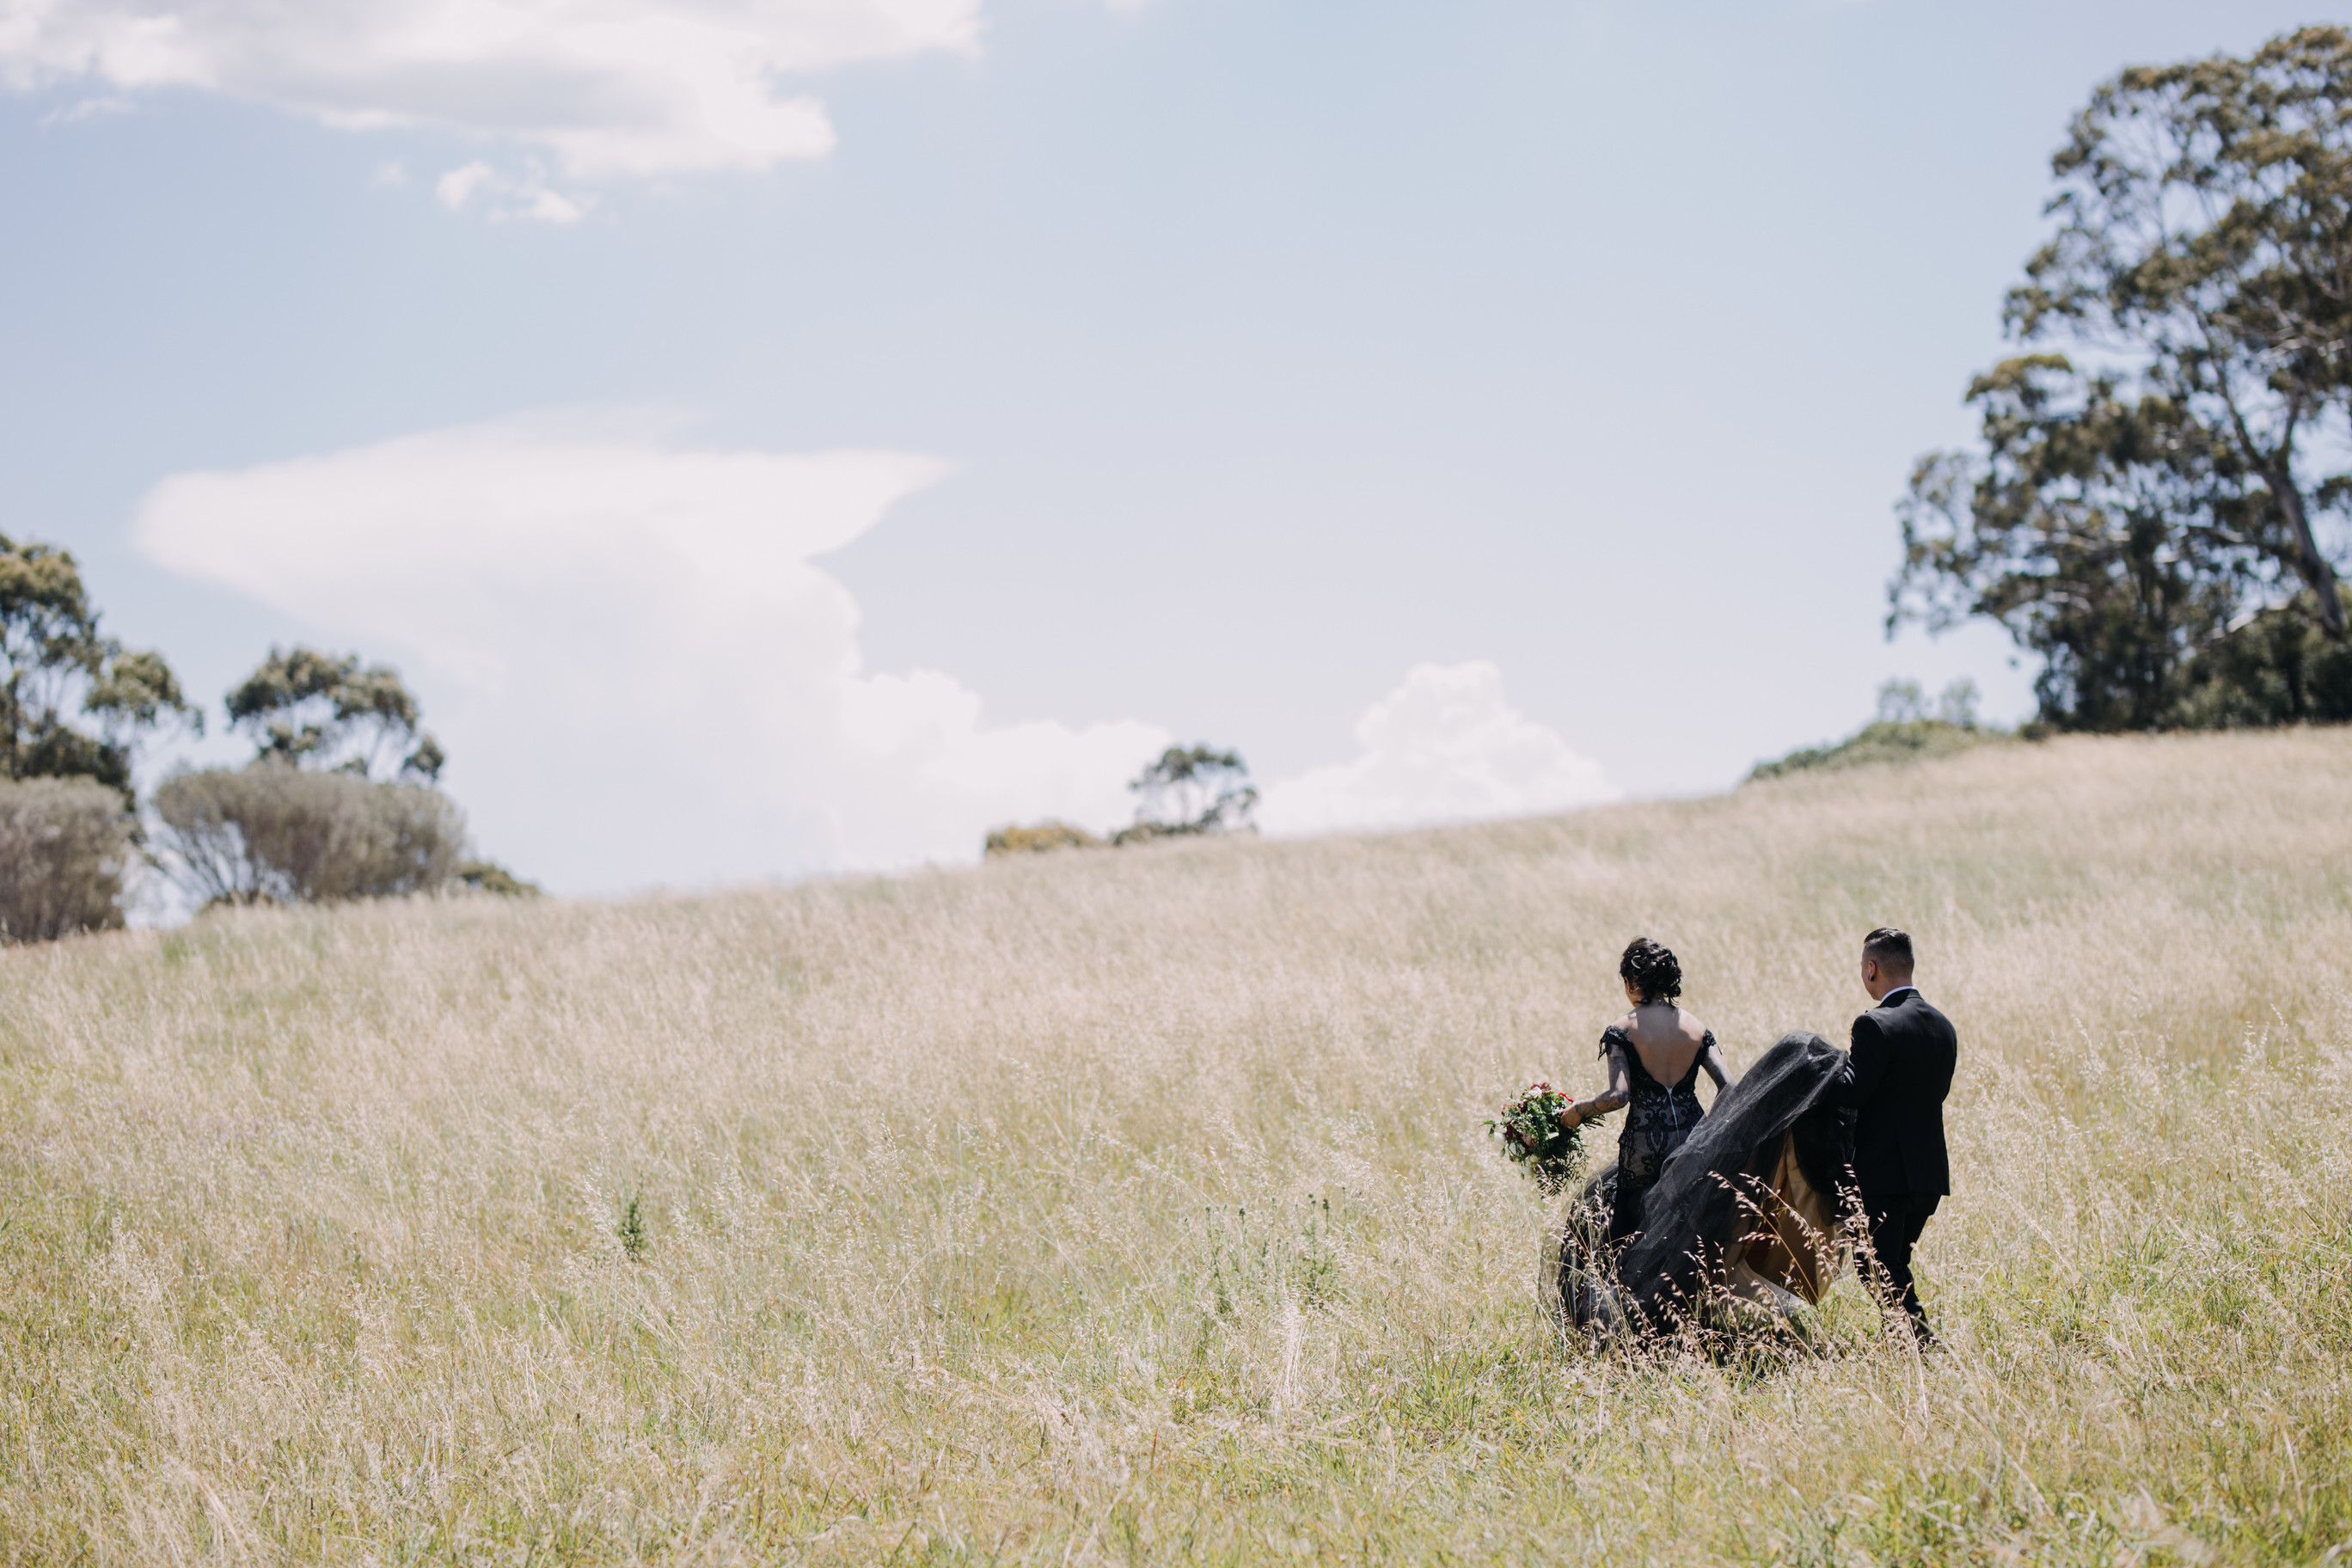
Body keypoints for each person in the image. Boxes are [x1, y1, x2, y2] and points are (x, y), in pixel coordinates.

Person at [1559, 937, 1731, 1248]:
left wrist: (1577, 1112)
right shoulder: (1696, 1027)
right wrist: (1710, 1133)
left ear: (1632, 980)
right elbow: (1730, 1088)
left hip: (1644, 1148)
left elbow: (1618, 1096)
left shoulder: (1622, 1029)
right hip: (1693, 1142)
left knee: (1624, 1232)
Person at [1831, 927, 1957, 1345]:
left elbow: (1852, 1092)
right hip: (1929, 1174)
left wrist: (1820, 1070)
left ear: (1872, 969)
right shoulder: (1943, 1025)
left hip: (1884, 1173)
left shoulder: (1874, 1024)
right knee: (1894, 1262)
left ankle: (1922, 1347)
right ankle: (1904, 1344)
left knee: (1880, 1266)